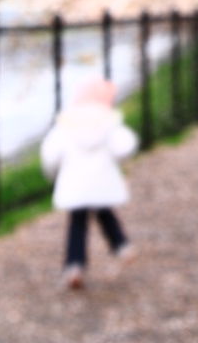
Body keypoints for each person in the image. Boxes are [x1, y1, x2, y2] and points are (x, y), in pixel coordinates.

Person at [40, 77, 138, 289]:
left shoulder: (66, 125)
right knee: (105, 213)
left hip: (75, 186)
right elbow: (125, 146)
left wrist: (51, 173)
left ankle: (75, 265)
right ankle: (121, 245)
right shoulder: (108, 124)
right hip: (102, 183)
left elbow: (51, 153)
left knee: (77, 223)